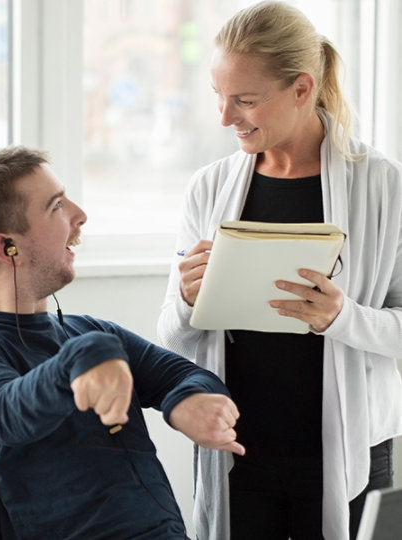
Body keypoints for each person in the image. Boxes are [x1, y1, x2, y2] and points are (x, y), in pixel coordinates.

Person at [157, 2, 402, 539]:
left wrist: (343, 317)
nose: (225, 117)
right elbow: (170, 336)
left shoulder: (383, 186)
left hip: (348, 451)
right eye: (219, 98)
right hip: (240, 451)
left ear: (301, 88)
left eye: (244, 100)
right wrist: (185, 298)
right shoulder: (208, 187)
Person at [0, 145, 245, 540]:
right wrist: (88, 356)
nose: (80, 215)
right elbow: (6, 413)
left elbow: (181, 375)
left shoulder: (88, 331)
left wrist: (184, 400)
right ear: (7, 247)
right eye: (56, 206)